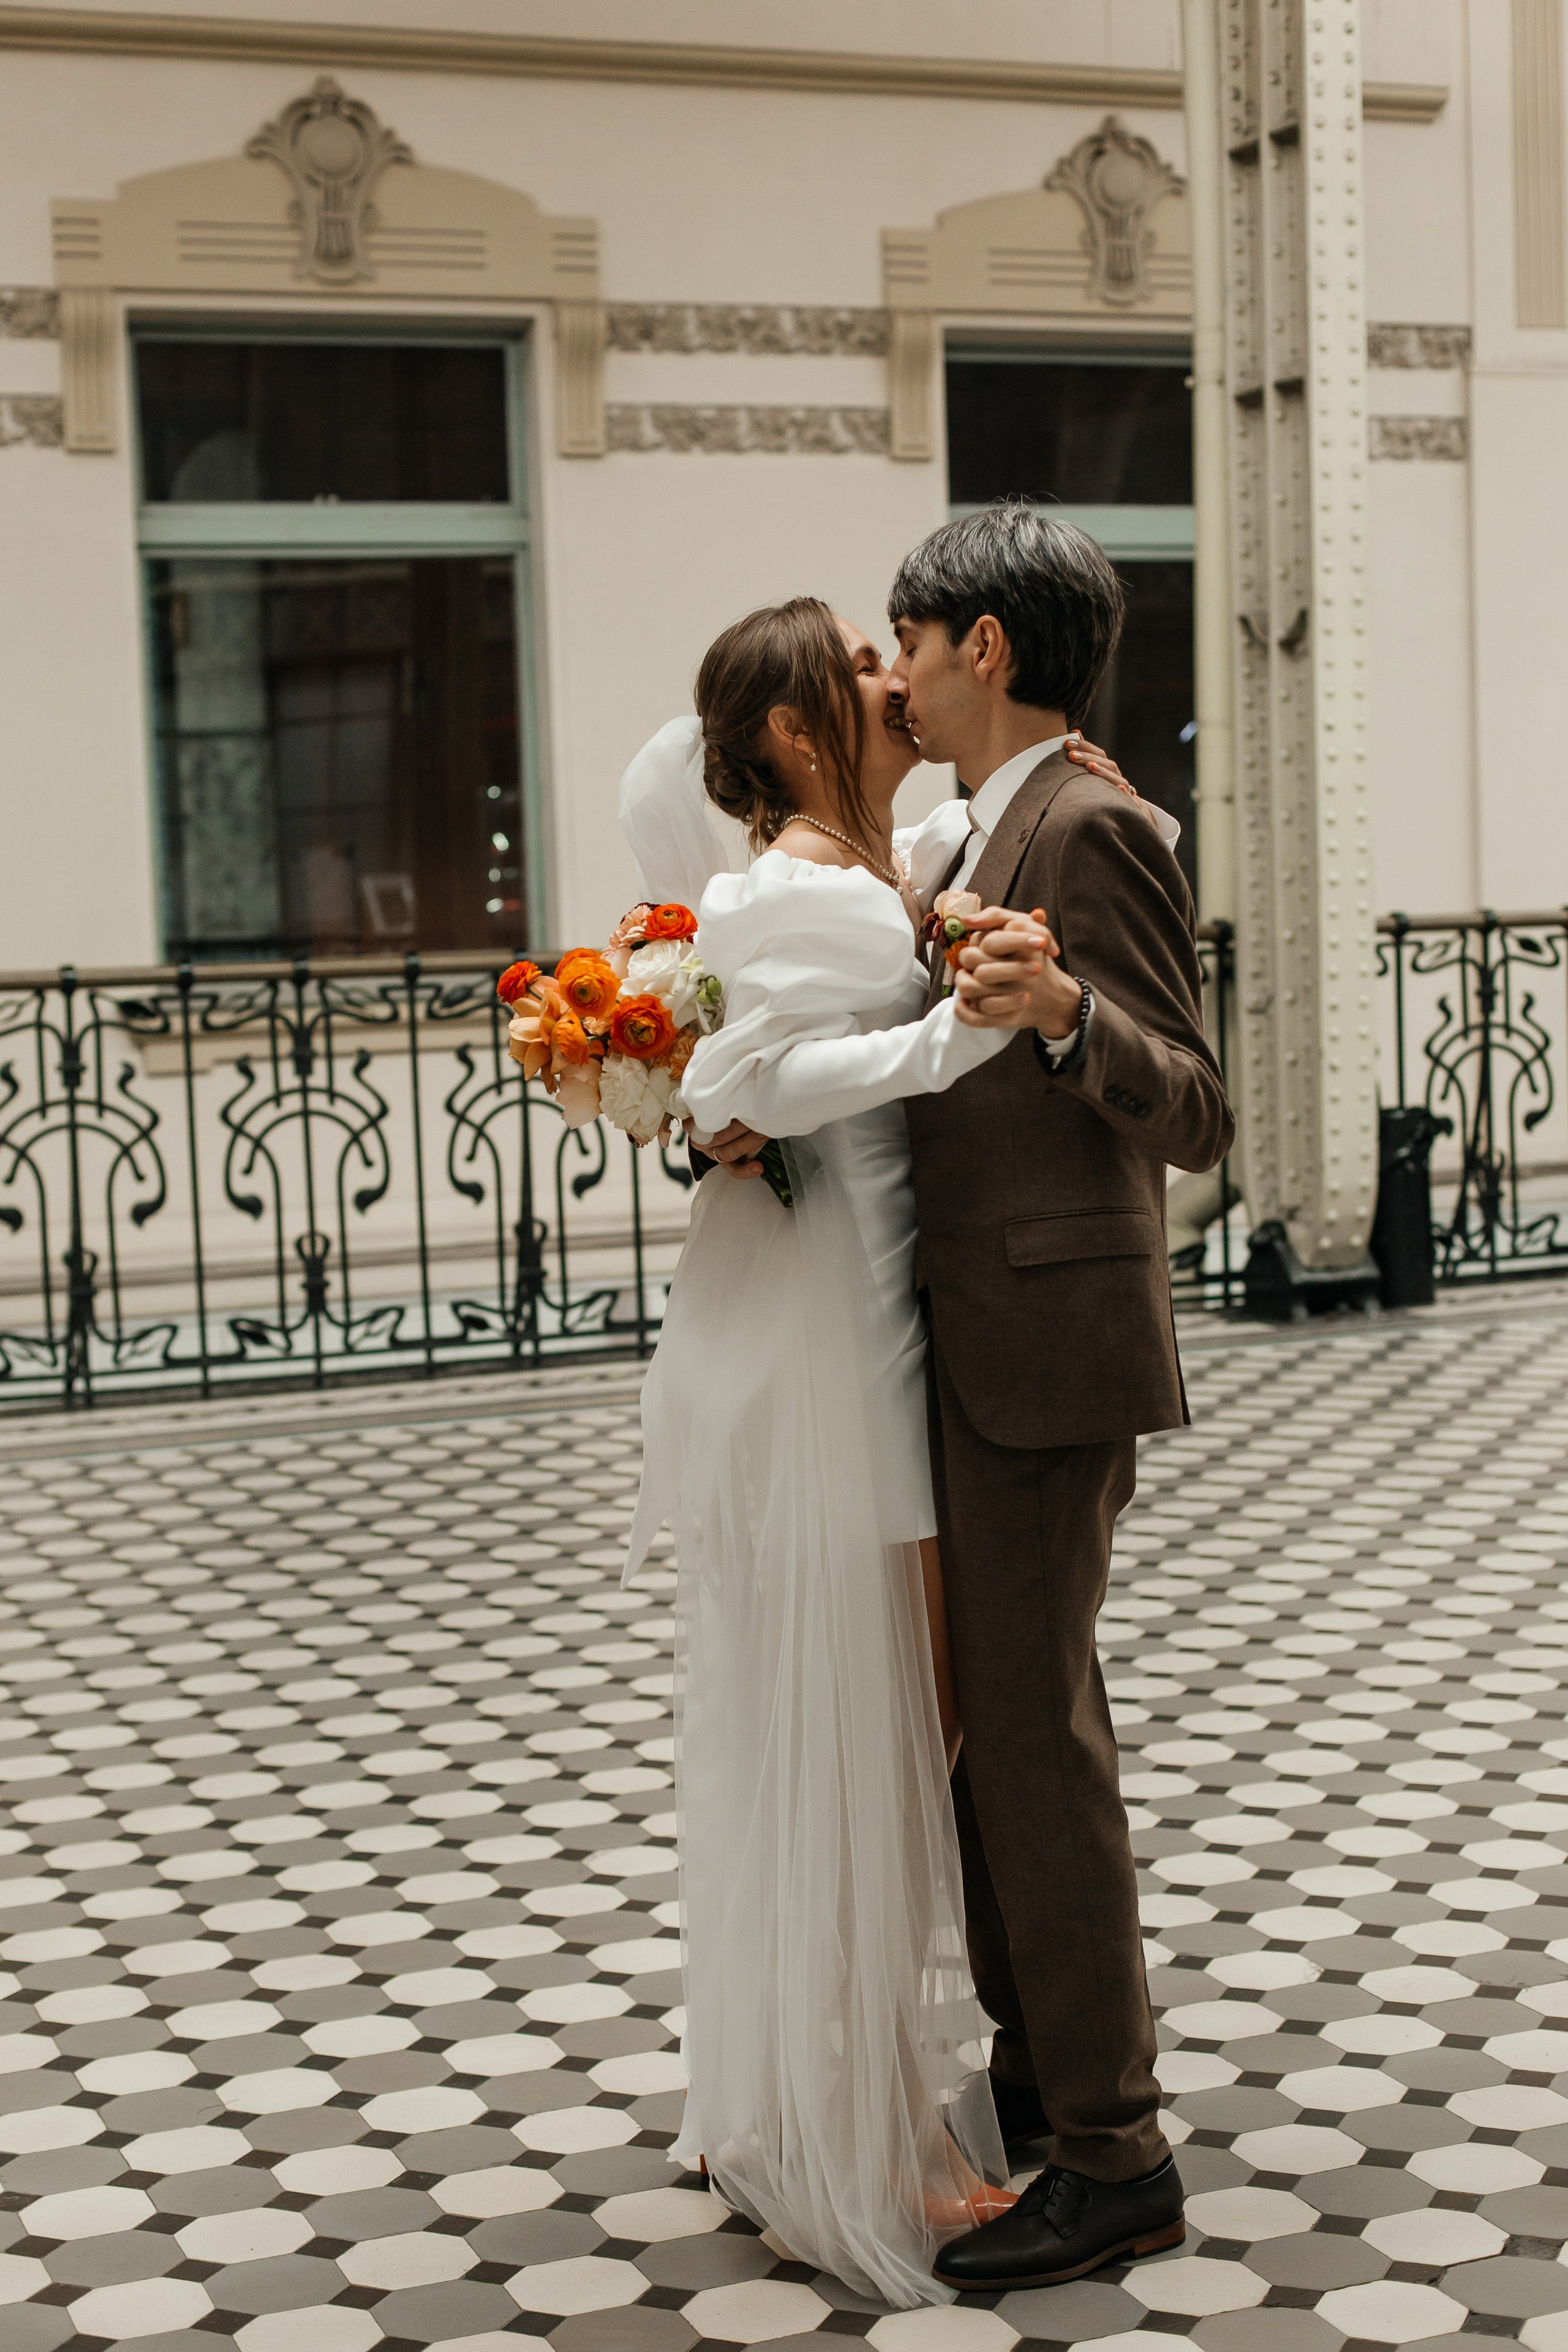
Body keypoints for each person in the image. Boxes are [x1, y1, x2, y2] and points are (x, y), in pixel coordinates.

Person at [617, 588, 1166, 2307]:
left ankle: (785, 2090)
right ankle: (854, 2139)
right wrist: (954, 1033)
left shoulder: (882, 854)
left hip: (883, 1332)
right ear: (792, 734)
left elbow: (956, 835)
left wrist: (1063, 741)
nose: (892, 683)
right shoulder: (792, 884)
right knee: (880, 1754)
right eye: (861, 672)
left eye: (900, 652)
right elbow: (759, 1082)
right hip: (849, 1351)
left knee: (859, 1742)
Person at [879, 499, 1235, 2291]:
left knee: (1037, 1749)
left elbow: (1199, 1101)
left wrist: (1071, 1017)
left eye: (914, 644)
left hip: (1049, 1353)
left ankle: (1117, 2157)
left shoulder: (1086, 822)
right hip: (971, 1339)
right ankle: (1046, 2083)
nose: (902, 676)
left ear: (986, 649)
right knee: (996, 1746)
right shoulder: (984, 820)